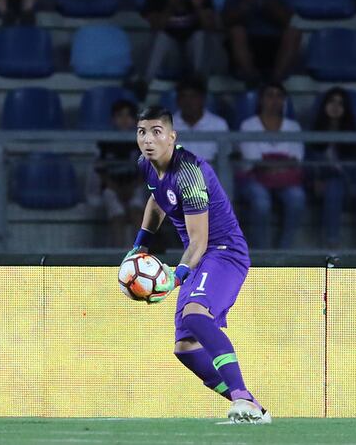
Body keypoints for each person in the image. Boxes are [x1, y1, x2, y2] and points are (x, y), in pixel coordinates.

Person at [124, 105, 270, 424]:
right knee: (185, 347)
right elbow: (157, 200)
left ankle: (242, 397)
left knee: (195, 314)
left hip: (224, 252)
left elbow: (199, 241)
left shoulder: (188, 173)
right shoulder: (145, 165)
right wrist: (139, 247)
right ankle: (254, 409)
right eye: (141, 132)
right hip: (201, 257)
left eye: (156, 132)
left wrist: (173, 279)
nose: (148, 140)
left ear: (172, 136)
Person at [307, 87, 356, 249]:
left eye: (340, 103)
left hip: (355, 181)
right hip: (331, 184)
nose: (335, 106)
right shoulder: (313, 133)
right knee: (334, 187)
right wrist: (314, 180)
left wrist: (349, 176)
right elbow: (308, 164)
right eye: (331, 101)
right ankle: (332, 245)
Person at [237, 82, 305, 249]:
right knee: (261, 202)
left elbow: (297, 159)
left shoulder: (293, 127)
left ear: (284, 101)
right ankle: (262, 253)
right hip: (255, 179)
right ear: (261, 100)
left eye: (278, 96)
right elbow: (252, 159)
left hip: (286, 180)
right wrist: (281, 163)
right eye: (269, 95)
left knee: (297, 197)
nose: (274, 100)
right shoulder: (248, 125)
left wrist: (269, 163)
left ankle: (285, 251)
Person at [129, 0, 216, 99]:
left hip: (193, 55)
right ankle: (144, 82)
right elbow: (155, 27)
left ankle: (199, 83)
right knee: (161, 37)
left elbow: (210, 27)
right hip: (169, 57)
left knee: (200, 35)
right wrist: (170, 6)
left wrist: (198, 7)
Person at [221, 0, 302, 87]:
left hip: (274, 43)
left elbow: (286, 21)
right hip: (247, 43)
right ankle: (252, 78)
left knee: (294, 33)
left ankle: (275, 82)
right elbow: (227, 21)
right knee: (237, 31)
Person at [86, 100, 144, 247]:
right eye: (120, 116)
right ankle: (118, 258)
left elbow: (146, 172)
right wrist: (116, 188)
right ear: (113, 119)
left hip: (134, 186)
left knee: (137, 212)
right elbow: (100, 171)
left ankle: (139, 255)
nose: (124, 120)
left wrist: (131, 187)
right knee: (117, 215)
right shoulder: (104, 144)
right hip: (110, 188)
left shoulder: (143, 143)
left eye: (129, 116)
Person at [171, 77, 230, 162]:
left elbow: (225, 159)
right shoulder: (166, 126)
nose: (188, 101)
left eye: (193, 96)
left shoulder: (219, 124)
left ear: (203, 99)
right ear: (177, 100)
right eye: (184, 96)